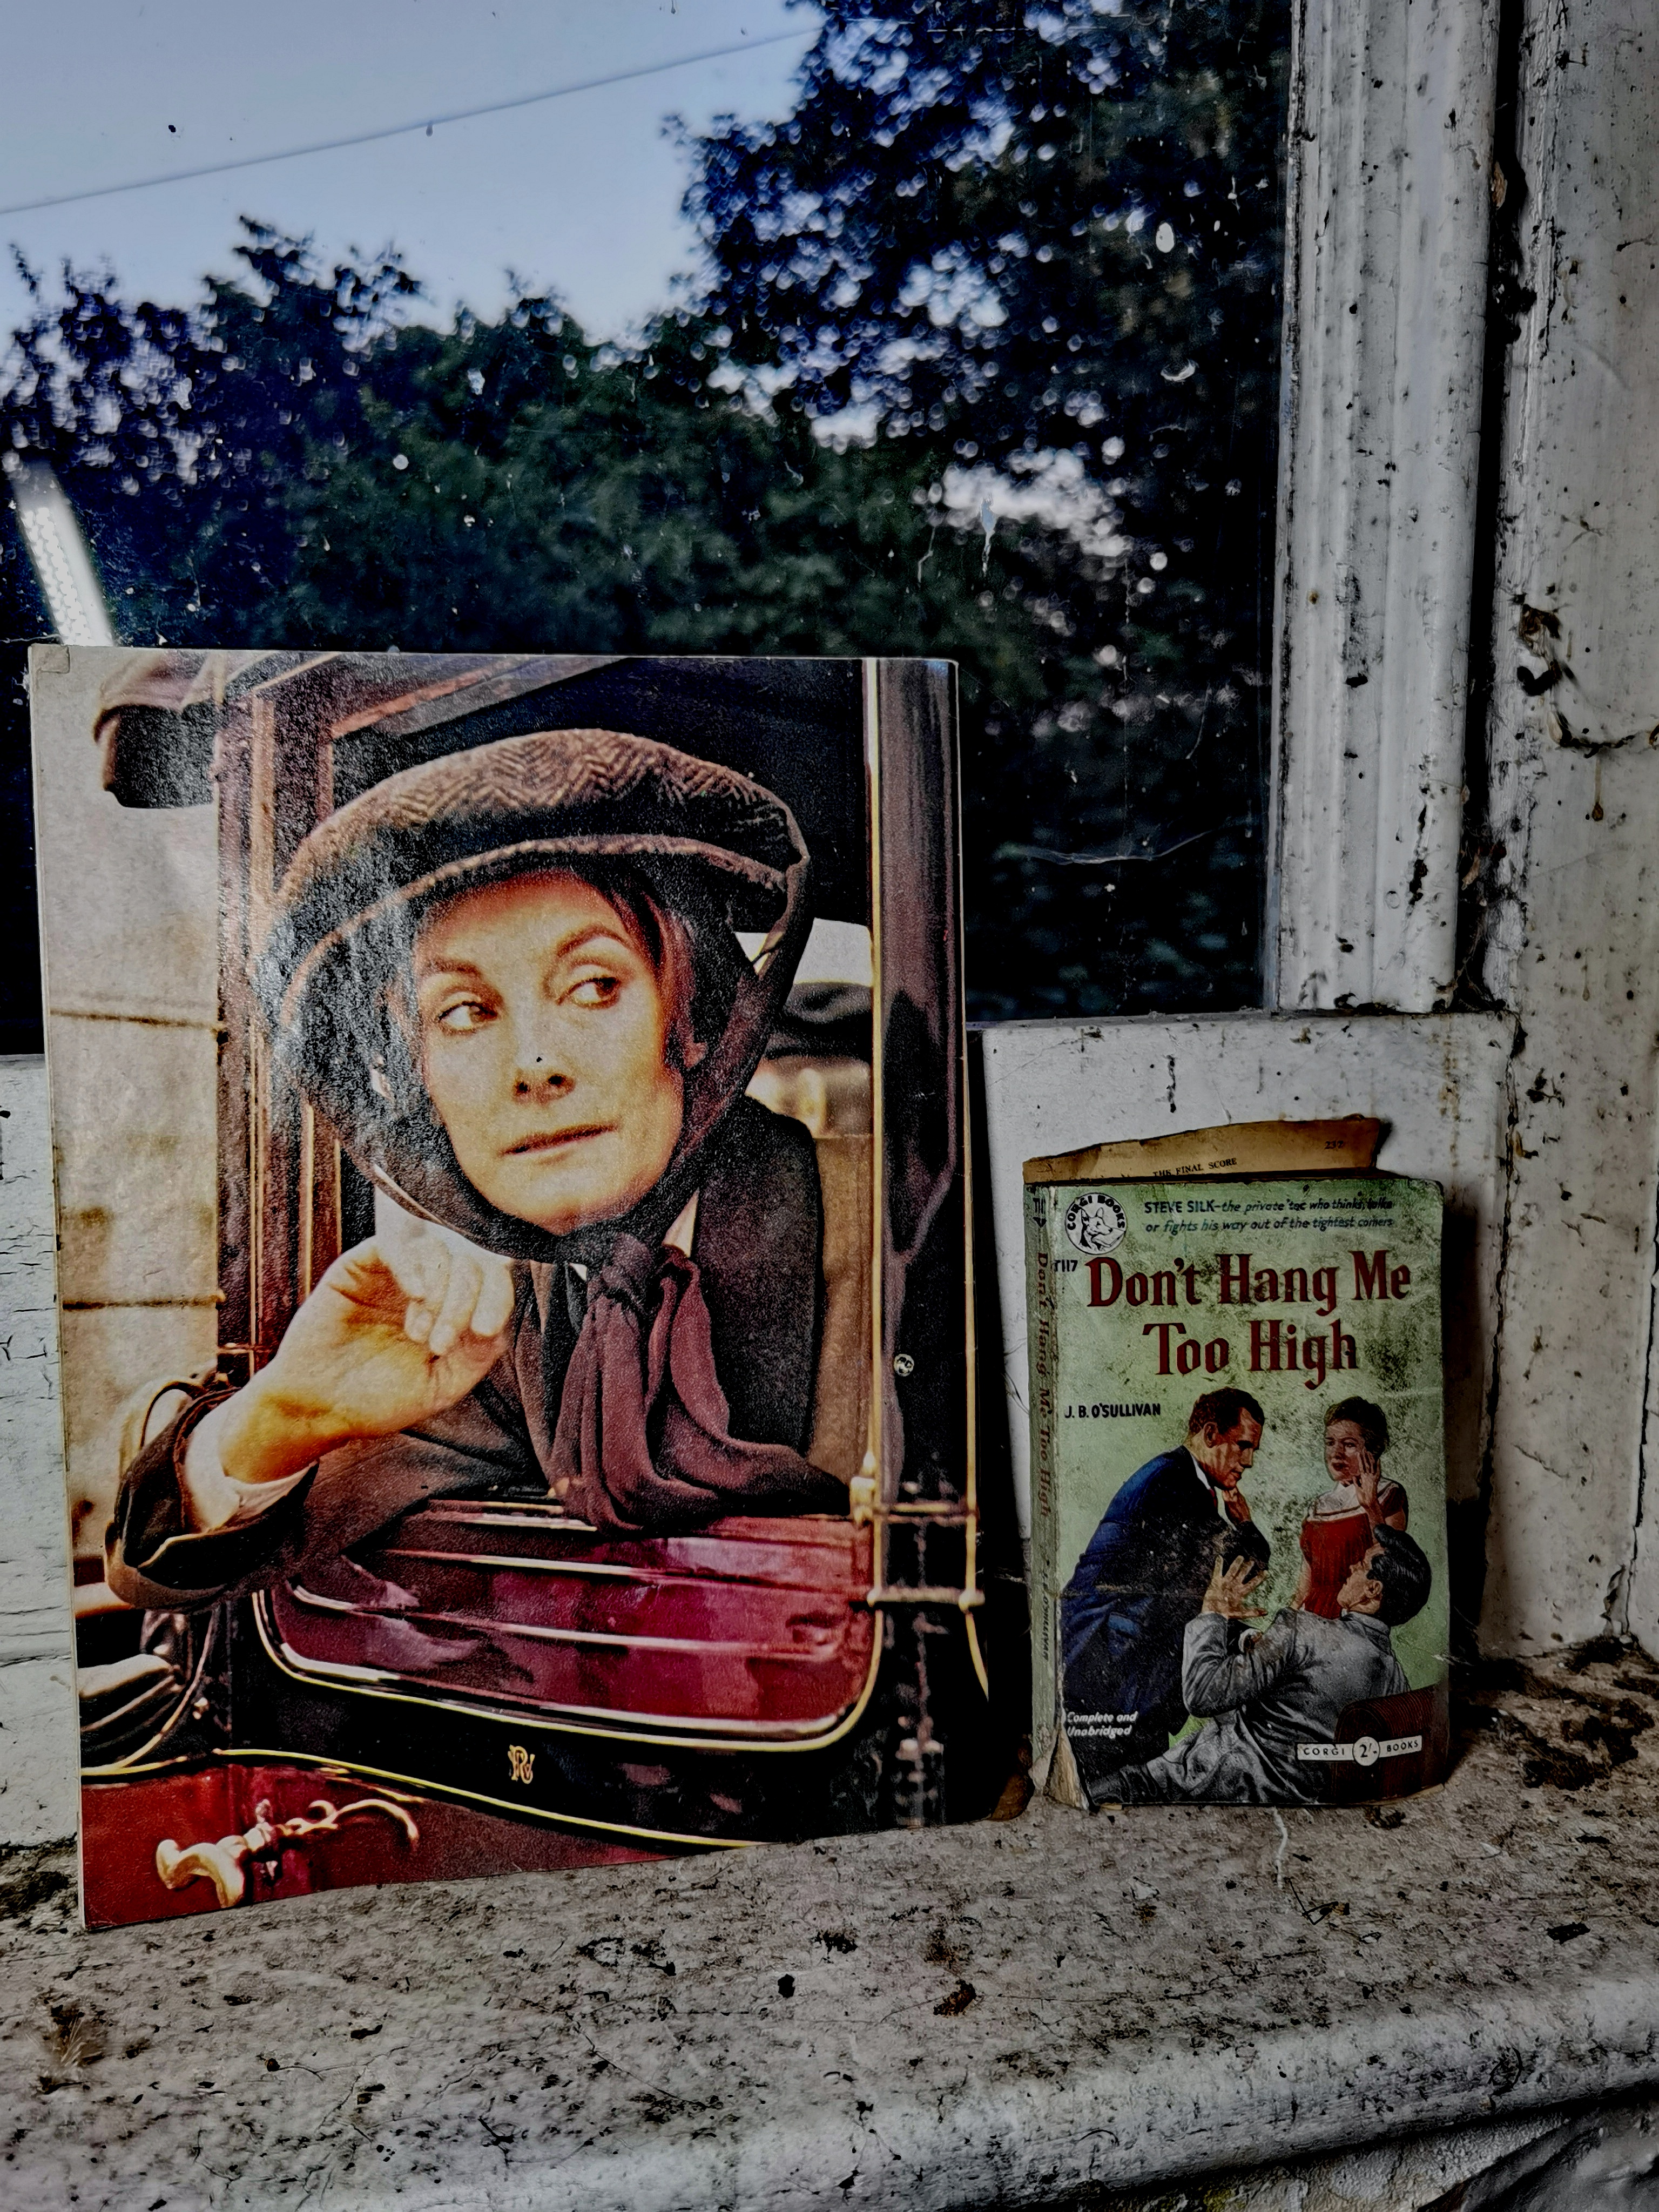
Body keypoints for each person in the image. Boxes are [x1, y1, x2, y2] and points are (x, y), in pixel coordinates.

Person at [105, 726, 851, 1613]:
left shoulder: (901, 1230)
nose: (534, 1064)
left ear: (686, 1015)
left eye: (594, 987)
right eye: (463, 1011)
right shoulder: (510, 1318)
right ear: (418, 1072)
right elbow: (183, 1561)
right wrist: (287, 1413)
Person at [1096, 1525, 1432, 1806]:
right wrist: (1251, 1645)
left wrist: (1213, 1612)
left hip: (1214, 1781)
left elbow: (1201, 1695)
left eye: (1360, 1564)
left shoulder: (1303, 1630)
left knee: (1106, 1789)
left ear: (1372, 1591)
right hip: (1300, 1795)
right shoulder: (1395, 1678)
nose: (1351, 1568)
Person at [1061, 1387, 1269, 1776]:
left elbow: (1196, 1594)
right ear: (1210, 1435)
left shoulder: (1180, 1479)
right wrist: (1245, 1524)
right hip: (1113, 1666)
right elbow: (1239, 1570)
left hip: (1125, 1666)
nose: (1249, 1462)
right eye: (1242, 1446)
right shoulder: (1174, 1484)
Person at [1297, 1397, 1408, 1620]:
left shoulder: (1389, 1495)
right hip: (1311, 1618)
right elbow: (1304, 1586)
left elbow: (1389, 1566)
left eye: (1349, 1445)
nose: (1336, 1453)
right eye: (1330, 1443)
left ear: (1372, 1451)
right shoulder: (1318, 1507)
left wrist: (1371, 1505)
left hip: (1354, 1616)